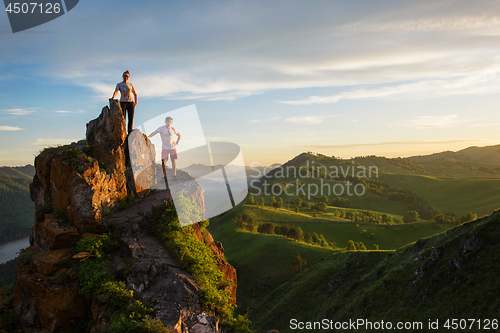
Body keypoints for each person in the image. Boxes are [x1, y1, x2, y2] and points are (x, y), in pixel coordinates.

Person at [148, 116, 181, 181]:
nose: (169, 123)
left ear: (172, 122)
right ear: (165, 122)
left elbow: (179, 135)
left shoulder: (173, 129)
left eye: (170, 122)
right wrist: (148, 137)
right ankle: (164, 176)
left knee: (173, 161)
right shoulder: (161, 128)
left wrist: (177, 142)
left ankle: (174, 175)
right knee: (164, 162)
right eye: (168, 121)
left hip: (172, 148)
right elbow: (155, 132)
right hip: (165, 148)